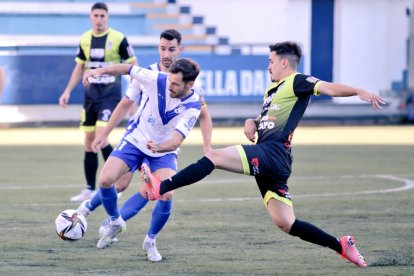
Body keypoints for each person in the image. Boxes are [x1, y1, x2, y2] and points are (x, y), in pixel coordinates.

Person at [142, 41, 386, 267]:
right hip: (272, 159)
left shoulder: (298, 81)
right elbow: (268, 119)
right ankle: (341, 245)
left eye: (270, 61)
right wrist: (253, 121)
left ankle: (161, 187)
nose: (268, 66)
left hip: (273, 152)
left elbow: (329, 87)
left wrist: (358, 91)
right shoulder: (272, 89)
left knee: (214, 157)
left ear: (283, 63)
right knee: (286, 223)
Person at [77, 29, 213, 261]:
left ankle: (150, 240)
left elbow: (176, 140)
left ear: (189, 85)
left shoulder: (193, 103)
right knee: (107, 180)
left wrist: (157, 152)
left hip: (162, 149)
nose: (170, 85)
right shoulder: (155, 76)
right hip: (136, 138)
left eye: (176, 83)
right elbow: (127, 69)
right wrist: (99, 70)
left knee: (165, 193)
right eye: (162, 48)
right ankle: (114, 221)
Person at [58, 2, 137, 202]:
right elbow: (79, 68)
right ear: (90, 17)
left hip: (110, 97)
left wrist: (134, 98)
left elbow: (133, 67)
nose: (99, 19)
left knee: (101, 137)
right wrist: (67, 90)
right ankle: (89, 188)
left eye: (103, 15)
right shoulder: (85, 39)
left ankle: (119, 179)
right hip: (90, 98)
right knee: (89, 142)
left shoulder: (118, 38)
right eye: (96, 15)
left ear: (107, 17)